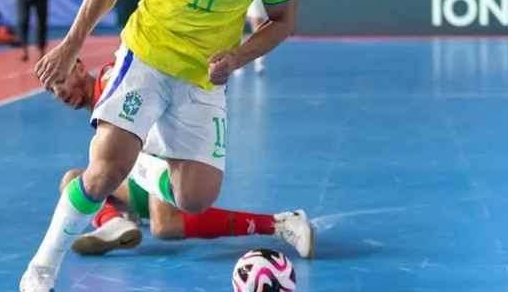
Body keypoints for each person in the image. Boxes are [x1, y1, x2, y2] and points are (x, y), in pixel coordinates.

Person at [21, 0, 299, 292]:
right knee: (102, 172)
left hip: (204, 77)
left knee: (194, 199)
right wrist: (70, 45)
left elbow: (283, 21)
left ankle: (141, 166)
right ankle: (39, 271)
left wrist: (238, 57)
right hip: (146, 56)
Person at [49, 58, 313, 257]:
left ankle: (281, 223)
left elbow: (153, 124)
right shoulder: (100, 100)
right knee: (73, 181)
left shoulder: (110, 84)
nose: (58, 92)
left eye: (60, 80)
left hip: (173, 153)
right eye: (51, 90)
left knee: (164, 226)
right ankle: (115, 222)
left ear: (80, 68)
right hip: (148, 165)